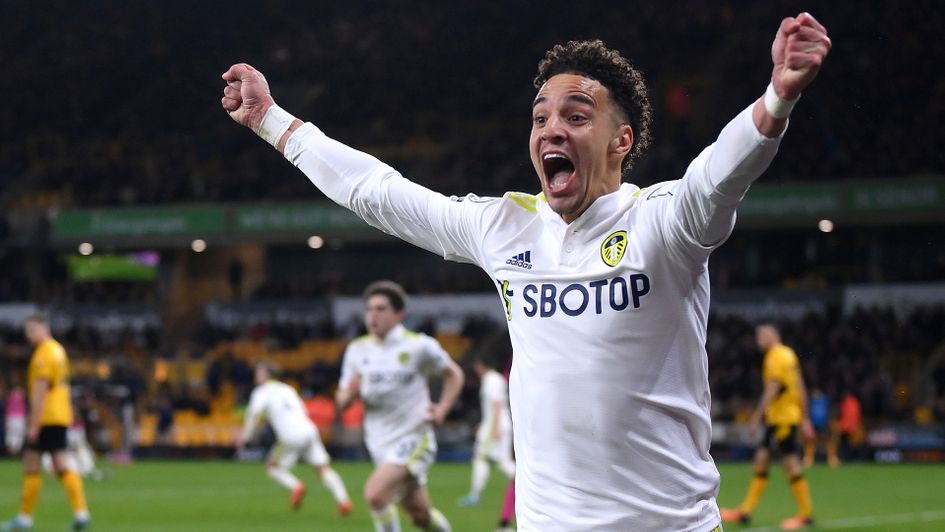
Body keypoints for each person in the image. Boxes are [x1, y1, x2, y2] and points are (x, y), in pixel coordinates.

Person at [222, 13, 830, 529]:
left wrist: (777, 98)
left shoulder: (664, 223)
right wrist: (273, 120)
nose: (551, 129)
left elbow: (720, 174)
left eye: (576, 115)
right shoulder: (506, 228)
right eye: (540, 118)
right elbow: (379, 193)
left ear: (622, 140)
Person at [335, 281, 464, 532]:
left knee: (375, 495)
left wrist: (442, 408)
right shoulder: (357, 350)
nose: (373, 315)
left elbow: (454, 374)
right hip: (379, 442)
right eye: (369, 309)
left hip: (414, 438)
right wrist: (349, 396)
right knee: (420, 516)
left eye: (381, 308)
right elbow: (341, 399)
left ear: (398, 314)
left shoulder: (418, 346)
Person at [721, 324, 815, 529]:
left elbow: (773, 388)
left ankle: (806, 515)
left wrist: (756, 418)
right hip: (786, 418)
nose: (758, 340)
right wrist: (805, 417)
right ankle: (745, 512)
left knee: (790, 463)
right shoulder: (789, 355)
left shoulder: (775, 356)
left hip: (781, 419)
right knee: (762, 460)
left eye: (761, 336)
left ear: (772, 335)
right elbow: (800, 386)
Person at [2, 315, 91, 531]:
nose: (29, 335)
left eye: (32, 330)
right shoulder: (59, 351)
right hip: (60, 414)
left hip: (47, 416)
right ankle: (81, 512)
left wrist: (33, 425)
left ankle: (25, 518)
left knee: (35, 464)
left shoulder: (43, 355)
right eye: (27, 331)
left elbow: (40, 394)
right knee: (56, 463)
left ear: (44, 328)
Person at [235, 362, 353, 515]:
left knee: (272, 467)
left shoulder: (262, 392)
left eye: (259, 373)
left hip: (290, 435)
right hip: (309, 430)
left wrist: (245, 437)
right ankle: (344, 501)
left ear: (266, 375)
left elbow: (254, 414)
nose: (257, 376)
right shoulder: (288, 388)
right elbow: (302, 409)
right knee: (323, 468)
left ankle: (296, 486)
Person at [458, 357, 514, 506]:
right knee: (494, 459)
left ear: (481, 366)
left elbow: (496, 404)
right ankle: (475, 494)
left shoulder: (491, 380)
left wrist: (495, 428)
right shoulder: (496, 379)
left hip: (495, 426)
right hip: (496, 425)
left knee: (490, 459)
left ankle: (475, 495)